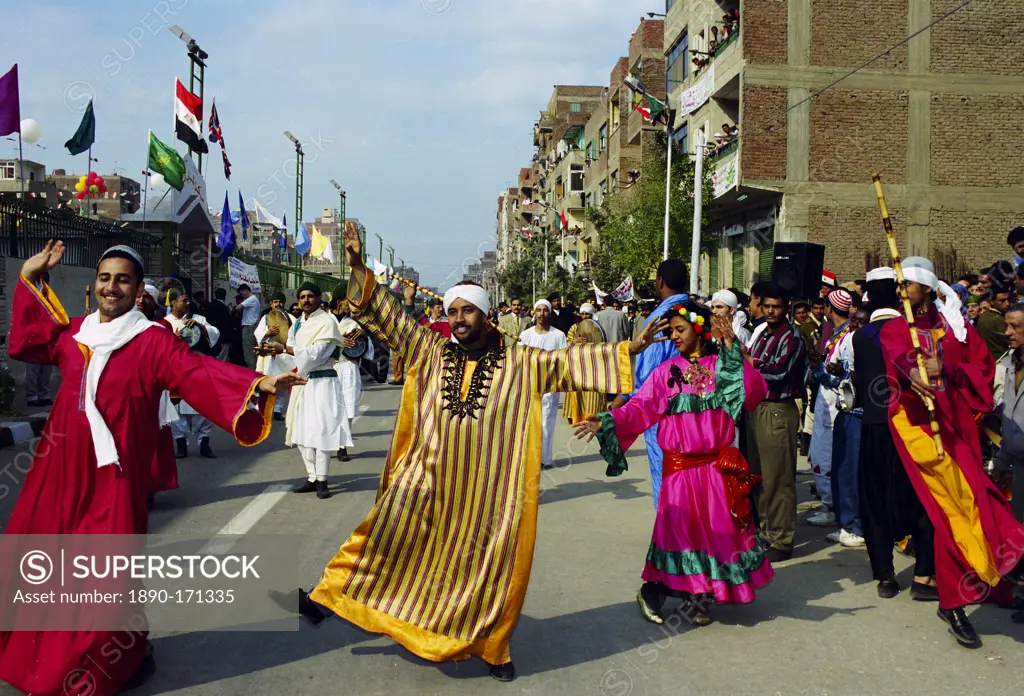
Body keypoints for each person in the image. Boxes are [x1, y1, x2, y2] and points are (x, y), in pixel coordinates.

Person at [273, 226, 665, 682]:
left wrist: (629, 349)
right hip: (426, 478)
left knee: (487, 571)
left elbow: (568, 365)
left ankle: (491, 647)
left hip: (488, 492)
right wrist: (358, 268)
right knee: (383, 535)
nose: (457, 318)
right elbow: (392, 317)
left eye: (466, 311)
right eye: (452, 311)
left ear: (484, 315)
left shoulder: (521, 362)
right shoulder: (431, 350)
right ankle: (328, 599)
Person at [0, 241, 300, 696]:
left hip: (114, 478)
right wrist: (28, 275)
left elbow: (196, 373)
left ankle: (106, 658)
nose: (111, 287)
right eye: (104, 278)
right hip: (57, 471)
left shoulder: (152, 341)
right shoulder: (76, 334)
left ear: (138, 289)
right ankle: (41, 651)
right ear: (93, 285)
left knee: (104, 572)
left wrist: (260, 382)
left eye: (122, 279)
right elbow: (29, 339)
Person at [575, 303, 771, 627]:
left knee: (715, 534)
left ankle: (701, 596)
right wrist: (608, 420)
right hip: (680, 471)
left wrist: (733, 348)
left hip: (715, 469)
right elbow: (640, 408)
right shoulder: (666, 373)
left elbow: (753, 393)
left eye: (680, 330)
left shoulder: (722, 366)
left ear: (699, 329)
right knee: (679, 537)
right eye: (672, 331)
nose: (674, 337)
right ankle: (669, 594)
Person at [881, 256, 1024, 648]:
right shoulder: (896, 327)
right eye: (899, 285)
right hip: (919, 432)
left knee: (979, 505)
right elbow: (900, 358)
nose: (901, 291)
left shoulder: (956, 328)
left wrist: (949, 369)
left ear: (927, 288)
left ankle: (978, 581)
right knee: (951, 514)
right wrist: (915, 373)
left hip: (958, 431)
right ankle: (955, 600)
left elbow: (981, 371)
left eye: (907, 284)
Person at [855, 267, 937, 600]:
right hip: (911, 428)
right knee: (920, 497)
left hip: (875, 427)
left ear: (870, 297)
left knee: (874, 500)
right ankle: (923, 576)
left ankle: (886, 576)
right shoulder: (914, 333)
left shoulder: (861, 336)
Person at [611, 259, 690, 510]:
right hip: (700, 411)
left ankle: (671, 540)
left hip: (664, 413)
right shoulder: (701, 314)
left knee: (666, 475)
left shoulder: (658, 320)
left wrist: (619, 405)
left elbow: (647, 377)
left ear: (660, 283)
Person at [266, 282, 352, 499]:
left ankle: (322, 479)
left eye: (310, 296)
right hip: (302, 382)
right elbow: (292, 358)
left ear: (319, 298)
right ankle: (312, 476)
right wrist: (273, 353)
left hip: (323, 382)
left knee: (321, 431)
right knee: (300, 430)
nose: (306, 300)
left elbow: (317, 353)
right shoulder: (296, 325)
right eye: (302, 296)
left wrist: (285, 348)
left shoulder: (326, 322)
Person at [745, 283, 808, 562]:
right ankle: (765, 532)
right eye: (767, 306)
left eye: (776, 307)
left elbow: (780, 371)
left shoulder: (791, 337)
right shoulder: (763, 335)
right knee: (758, 477)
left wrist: (751, 362)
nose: (770, 311)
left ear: (787, 308)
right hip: (757, 408)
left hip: (778, 410)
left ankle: (781, 538)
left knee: (778, 478)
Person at [820, 301, 869, 547]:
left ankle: (857, 526)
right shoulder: (846, 340)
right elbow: (828, 372)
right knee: (841, 471)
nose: (856, 327)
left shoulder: (870, 344)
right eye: (855, 322)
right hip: (844, 412)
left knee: (855, 473)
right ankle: (846, 523)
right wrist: (835, 371)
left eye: (863, 323)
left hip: (861, 416)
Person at [806, 288, 854, 526]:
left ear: (830, 309)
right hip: (826, 403)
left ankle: (833, 507)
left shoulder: (848, 337)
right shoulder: (837, 334)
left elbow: (842, 379)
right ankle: (830, 504)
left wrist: (818, 369)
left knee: (829, 454)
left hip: (836, 404)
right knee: (822, 451)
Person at [163, 289, 223, 459]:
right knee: (175, 408)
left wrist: (199, 327)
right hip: (176, 370)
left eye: (188, 300)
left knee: (203, 404)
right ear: (173, 303)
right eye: (184, 300)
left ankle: (204, 442)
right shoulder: (166, 323)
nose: (188, 303)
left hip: (197, 367)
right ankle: (181, 443)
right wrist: (174, 338)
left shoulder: (198, 318)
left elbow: (214, 334)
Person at [137, 283, 180, 505]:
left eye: (147, 297)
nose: (141, 301)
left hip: (152, 393)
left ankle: (149, 486)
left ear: (155, 302)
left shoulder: (161, 327)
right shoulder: (116, 324)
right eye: (139, 296)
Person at [519, 298, 570, 468]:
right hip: (529, 384)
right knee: (529, 422)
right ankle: (529, 457)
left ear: (549, 313)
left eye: (545, 310)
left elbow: (564, 359)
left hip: (550, 385)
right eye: (538, 310)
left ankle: (544, 458)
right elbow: (519, 360)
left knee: (547, 421)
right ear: (534, 312)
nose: (542, 313)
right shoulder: (525, 336)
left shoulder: (558, 335)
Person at [331, 289, 371, 461]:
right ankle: (326, 444)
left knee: (347, 409)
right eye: (349, 303)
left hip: (348, 368)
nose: (352, 307)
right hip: (328, 368)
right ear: (339, 302)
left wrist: (363, 338)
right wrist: (338, 340)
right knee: (328, 409)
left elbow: (366, 350)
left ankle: (342, 446)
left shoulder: (353, 324)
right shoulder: (324, 321)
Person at [994, 302, 1024, 523]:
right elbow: (1009, 419)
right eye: (1006, 326)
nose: (1007, 333)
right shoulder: (1008, 363)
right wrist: (1001, 462)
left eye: (1015, 327)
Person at [254, 290, 296, 421]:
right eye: (276, 302)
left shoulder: (291, 318)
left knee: (282, 383)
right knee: (267, 382)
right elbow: (258, 335)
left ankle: (278, 410)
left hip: (283, 354)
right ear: (271, 304)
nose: (278, 304)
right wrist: (268, 333)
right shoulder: (266, 318)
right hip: (269, 355)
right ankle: (263, 409)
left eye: (281, 302)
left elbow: (295, 336)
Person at [563, 302, 607, 425]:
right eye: (582, 313)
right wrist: (574, 341)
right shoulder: (574, 327)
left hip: (594, 366)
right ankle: (576, 416)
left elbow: (603, 345)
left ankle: (592, 417)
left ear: (592, 314)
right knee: (577, 392)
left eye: (587, 313)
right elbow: (566, 344)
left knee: (593, 395)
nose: (584, 316)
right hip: (576, 365)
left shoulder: (598, 328)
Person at [23, 270, 56, 407]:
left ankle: (43, 395)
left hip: (47, 337)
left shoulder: (50, 297)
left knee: (46, 368)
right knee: (33, 368)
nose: (44, 283)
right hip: (33, 337)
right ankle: (32, 397)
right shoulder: (31, 296)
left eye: (46, 280)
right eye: (41, 280)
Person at [976, 286, 1011, 361]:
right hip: (1000, 362)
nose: (1007, 303)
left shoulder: (984, 317)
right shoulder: (998, 320)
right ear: (991, 301)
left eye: (1009, 300)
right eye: (1002, 300)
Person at [234, 283, 261, 369]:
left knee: (248, 352)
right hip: (252, 326)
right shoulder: (255, 299)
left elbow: (237, 307)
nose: (241, 296)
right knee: (252, 351)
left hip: (249, 327)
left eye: (241, 293)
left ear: (246, 291)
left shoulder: (251, 299)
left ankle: (252, 371)